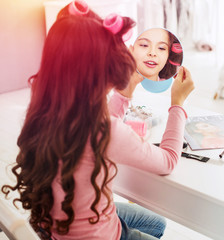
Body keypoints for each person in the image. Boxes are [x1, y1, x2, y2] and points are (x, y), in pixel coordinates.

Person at [1, 1, 194, 239]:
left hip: (56, 227)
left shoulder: (45, 110)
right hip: (100, 235)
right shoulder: (106, 131)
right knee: (158, 227)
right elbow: (168, 161)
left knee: (155, 223)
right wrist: (178, 103)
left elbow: (96, 131)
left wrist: (124, 94)